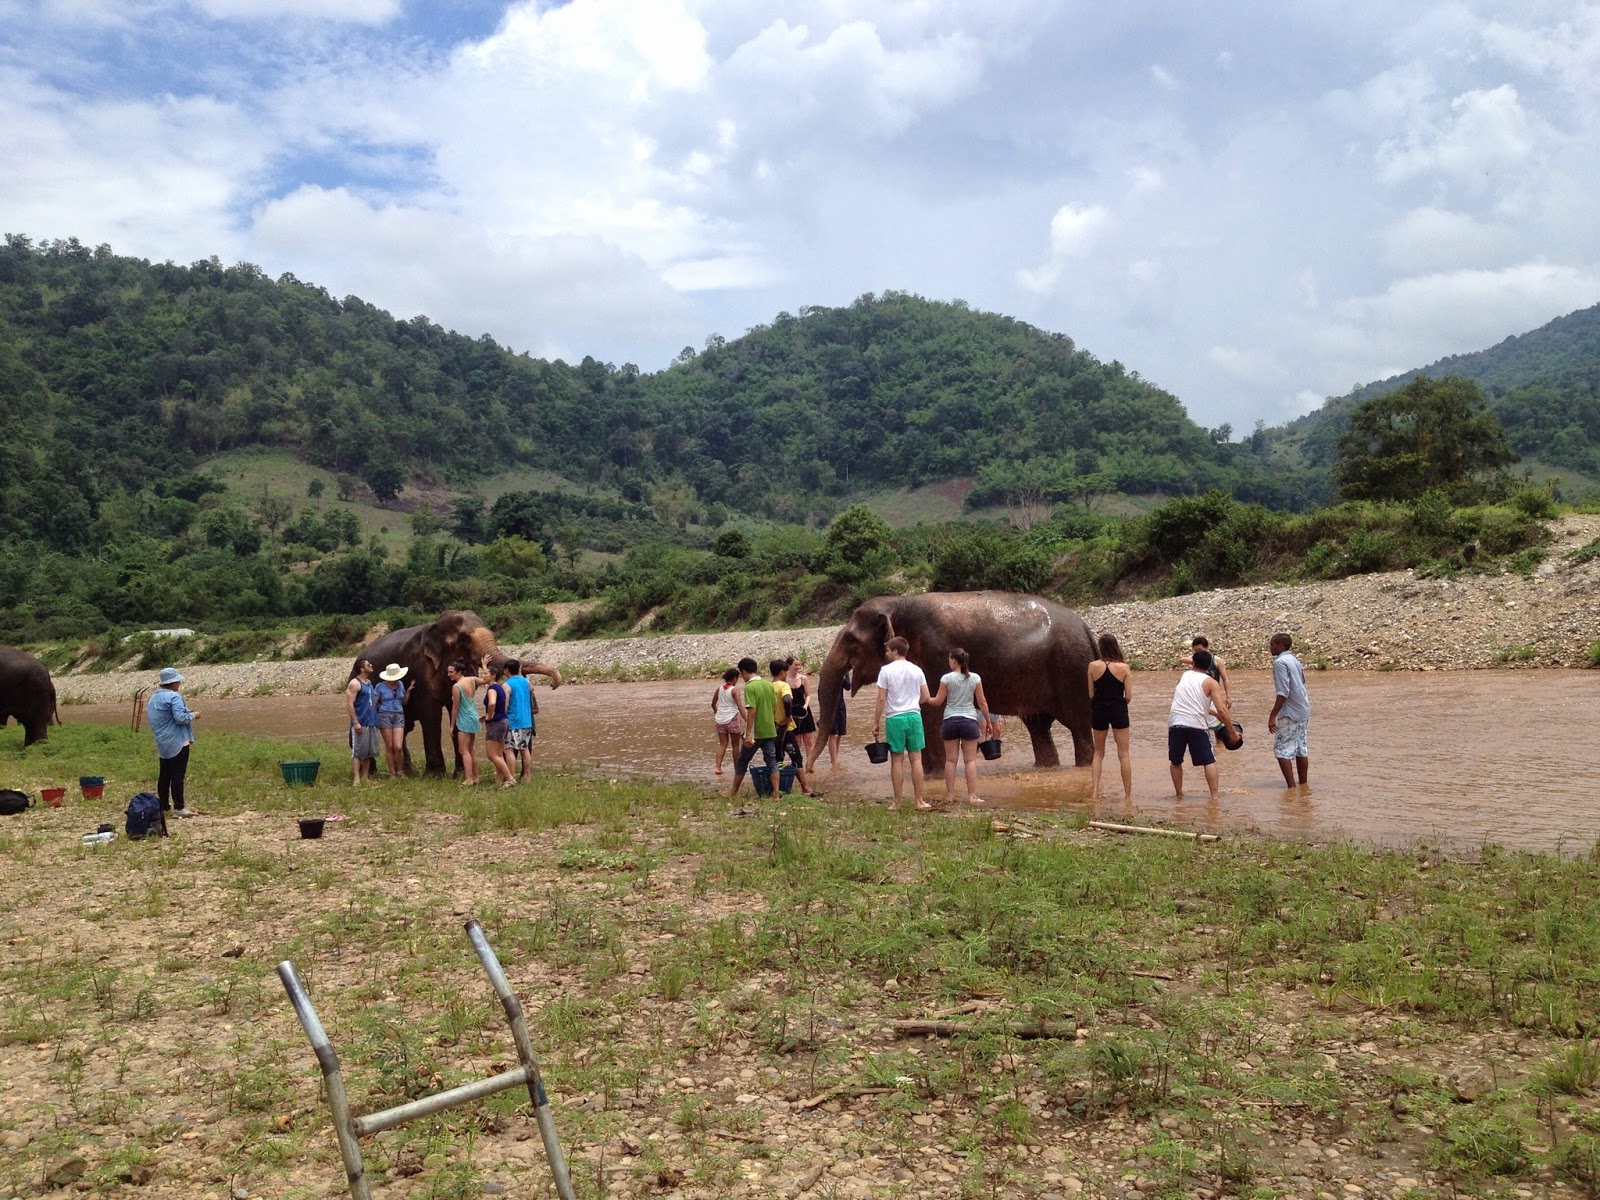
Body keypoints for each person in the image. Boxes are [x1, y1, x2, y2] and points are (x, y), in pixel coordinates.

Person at [928, 648, 996, 806]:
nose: (948, 662)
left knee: (950, 761)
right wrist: (988, 721)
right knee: (970, 761)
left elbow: (938, 701)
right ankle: (972, 796)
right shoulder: (975, 678)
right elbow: (982, 702)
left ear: (953, 660)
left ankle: (950, 795)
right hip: (969, 721)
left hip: (950, 720)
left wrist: (925, 699)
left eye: (949, 659)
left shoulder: (946, 678)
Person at [873, 636, 934, 810]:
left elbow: (880, 699)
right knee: (916, 759)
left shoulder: (885, 671)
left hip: (895, 718)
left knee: (897, 760)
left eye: (887, 650)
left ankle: (897, 802)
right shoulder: (917, 670)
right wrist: (913, 703)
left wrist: (875, 722)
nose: (886, 653)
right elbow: (926, 697)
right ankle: (919, 801)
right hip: (914, 716)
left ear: (895, 651)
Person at [1167, 648, 1234, 803]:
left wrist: (1212, 713)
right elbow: (1222, 710)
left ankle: (1179, 795)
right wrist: (1232, 732)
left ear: (1193, 663)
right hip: (1196, 725)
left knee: (1176, 761)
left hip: (1176, 722)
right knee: (1209, 761)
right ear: (1210, 665)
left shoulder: (1183, 676)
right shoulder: (1211, 682)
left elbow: (1187, 703)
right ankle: (1215, 798)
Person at [146, 667, 198, 817]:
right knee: (177, 775)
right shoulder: (174, 697)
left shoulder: (154, 698)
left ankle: (163, 806)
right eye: (178, 681)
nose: (180, 683)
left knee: (165, 775)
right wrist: (194, 715)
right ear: (173, 682)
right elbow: (180, 718)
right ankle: (179, 807)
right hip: (178, 741)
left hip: (162, 741)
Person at [1087, 633, 1134, 804]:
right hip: (1118, 709)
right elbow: (1128, 696)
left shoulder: (1092, 666)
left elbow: (1091, 694)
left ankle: (1094, 793)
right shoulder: (1124, 668)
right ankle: (1128, 796)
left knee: (1098, 753)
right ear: (1115, 646)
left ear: (1101, 648)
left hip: (1099, 709)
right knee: (1124, 754)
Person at [771, 659, 822, 798]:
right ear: (782, 672)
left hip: (773, 727)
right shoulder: (783, 685)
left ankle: (775, 789)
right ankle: (805, 788)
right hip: (786, 727)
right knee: (796, 757)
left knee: (776, 758)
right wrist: (788, 717)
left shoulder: (769, 686)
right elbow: (787, 700)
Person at [729, 657, 778, 800]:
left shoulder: (750, 687)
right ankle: (776, 793)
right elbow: (774, 707)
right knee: (772, 762)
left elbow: (752, 711)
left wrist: (748, 734)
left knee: (742, 761)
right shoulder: (769, 685)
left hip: (757, 732)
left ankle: (733, 792)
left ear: (743, 672)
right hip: (770, 730)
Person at [1268, 632, 1311, 787]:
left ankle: (1291, 788)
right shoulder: (1294, 660)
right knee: (1300, 749)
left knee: (1281, 751)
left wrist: (1272, 716)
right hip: (1303, 709)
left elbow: (1283, 692)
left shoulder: (1280, 663)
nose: (1270, 647)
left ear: (1280, 645)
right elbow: (1302, 681)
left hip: (1290, 712)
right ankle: (1303, 786)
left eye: (1272, 644)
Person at [345, 658, 380, 785]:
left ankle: (365, 777)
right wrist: (355, 722)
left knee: (368, 752)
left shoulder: (369, 682)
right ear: (362, 669)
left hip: (371, 721)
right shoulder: (355, 683)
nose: (371, 665)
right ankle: (356, 778)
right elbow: (349, 704)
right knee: (358, 751)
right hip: (361, 722)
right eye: (368, 664)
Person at [481, 660, 515, 788]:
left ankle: (510, 779)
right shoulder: (499, 687)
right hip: (503, 721)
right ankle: (500, 780)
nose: (483, 676)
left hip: (496, 723)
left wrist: (489, 715)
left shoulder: (492, 689)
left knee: (492, 755)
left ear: (493, 676)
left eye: (485, 674)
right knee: (499, 754)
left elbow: (492, 703)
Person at [447, 661, 481, 786]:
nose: (449, 674)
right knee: (471, 749)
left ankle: (469, 779)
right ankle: (476, 777)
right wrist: (485, 666)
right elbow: (485, 680)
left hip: (464, 719)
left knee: (463, 750)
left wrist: (451, 726)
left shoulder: (456, 687)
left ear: (459, 672)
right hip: (474, 716)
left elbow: (455, 708)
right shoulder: (472, 680)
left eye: (451, 672)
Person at [374, 663, 409, 778]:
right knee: (389, 746)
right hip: (385, 715)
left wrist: (408, 692)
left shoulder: (401, 684)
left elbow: (404, 702)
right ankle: (392, 772)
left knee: (398, 746)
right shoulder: (380, 686)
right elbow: (374, 702)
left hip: (399, 715)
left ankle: (400, 770)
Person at [503, 659, 535, 783]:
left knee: (509, 749)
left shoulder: (507, 685)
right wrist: (520, 674)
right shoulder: (526, 682)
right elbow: (532, 689)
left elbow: (504, 706)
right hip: (526, 721)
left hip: (512, 722)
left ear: (506, 670)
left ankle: (510, 778)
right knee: (524, 749)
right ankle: (527, 776)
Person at [711, 666, 744, 776]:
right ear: (735, 678)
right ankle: (737, 768)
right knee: (735, 745)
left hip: (720, 719)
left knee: (722, 745)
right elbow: (739, 705)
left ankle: (718, 767)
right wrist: (746, 719)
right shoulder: (734, 690)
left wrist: (717, 712)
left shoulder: (719, 689)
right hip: (732, 718)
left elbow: (713, 704)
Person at [786, 656, 818, 763]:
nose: (798, 667)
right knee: (797, 743)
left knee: (809, 742)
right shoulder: (784, 680)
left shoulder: (803, 678)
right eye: (796, 665)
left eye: (799, 665)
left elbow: (808, 695)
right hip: (792, 713)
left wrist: (806, 705)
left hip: (805, 712)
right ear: (789, 666)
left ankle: (810, 766)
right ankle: (797, 765)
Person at [826, 670, 850, 767]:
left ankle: (835, 757)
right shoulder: (829, 671)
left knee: (840, 733)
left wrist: (843, 676)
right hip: (830, 706)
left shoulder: (845, 672)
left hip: (840, 705)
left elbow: (848, 687)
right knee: (834, 734)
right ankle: (833, 761)